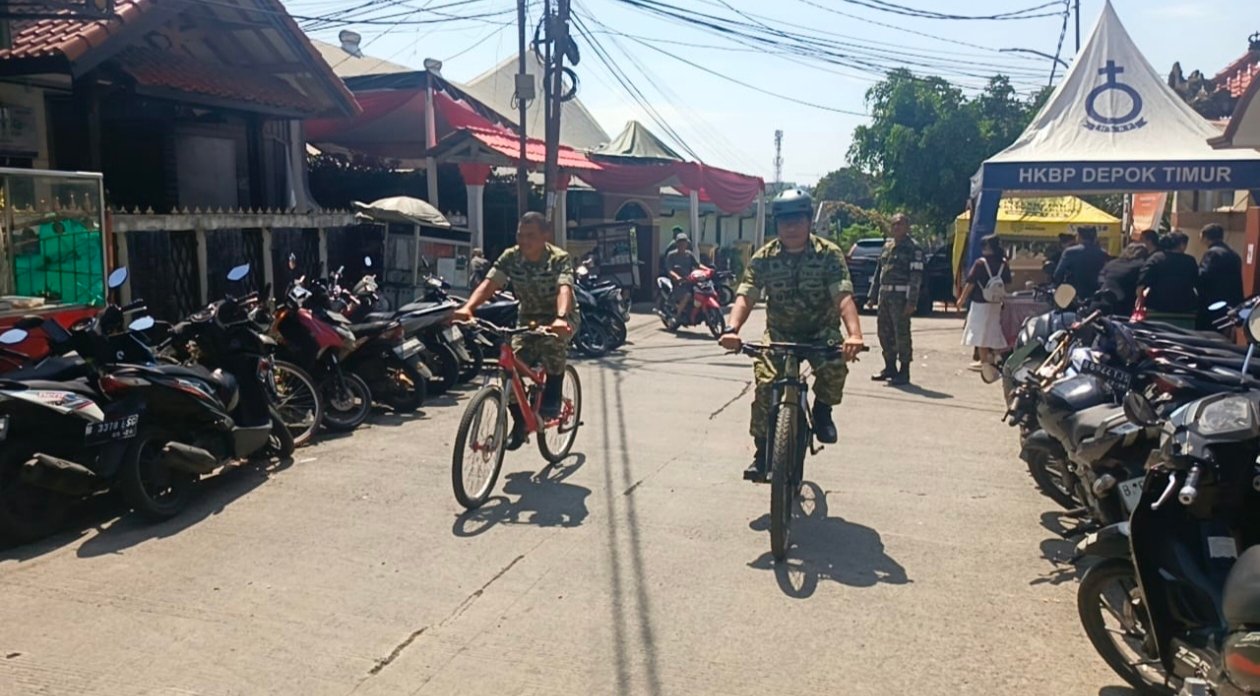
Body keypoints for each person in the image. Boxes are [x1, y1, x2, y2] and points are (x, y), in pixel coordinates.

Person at [717, 188, 865, 482]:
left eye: (798, 220)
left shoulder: (828, 254)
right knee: (765, 386)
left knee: (835, 368)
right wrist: (732, 329)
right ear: (777, 224)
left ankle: (822, 411)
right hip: (780, 334)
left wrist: (854, 335)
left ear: (809, 221)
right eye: (785, 221)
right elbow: (746, 295)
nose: (791, 227)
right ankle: (762, 452)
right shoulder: (764, 257)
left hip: (820, 332)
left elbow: (843, 296)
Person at [452, 212, 576, 442]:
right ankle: (520, 420)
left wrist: (560, 318)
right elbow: (490, 283)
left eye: (531, 235)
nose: (524, 241)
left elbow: (564, 288)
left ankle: (553, 395)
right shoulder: (511, 257)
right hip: (527, 319)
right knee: (507, 368)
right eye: (520, 235)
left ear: (545, 235)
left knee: (551, 346)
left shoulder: (558, 258)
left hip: (558, 317)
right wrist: (468, 307)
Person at [865, 212, 924, 386]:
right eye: (894, 224)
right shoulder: (887, 246)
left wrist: (911, 301)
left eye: (900, 224)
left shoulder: (913, 248)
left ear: (907, 227)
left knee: (901, 334)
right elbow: (879, 273)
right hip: (885, 296)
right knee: (884, 333)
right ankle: (889, 367)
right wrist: (872, 296)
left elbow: (916, 277)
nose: (897, 227)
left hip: (901, 298)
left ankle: (904, 371)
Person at [958, 235, 1012, 370]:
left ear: (988, 247)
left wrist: (962, 299)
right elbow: (1007, 283)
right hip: (996, 303)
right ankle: (996, 356)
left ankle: (984, 362)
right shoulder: (1003, 263)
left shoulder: (980, 263)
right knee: (993, 329)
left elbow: (970, 283)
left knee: (980, 332)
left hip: (980, 302)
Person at [1138, 230, 1199, 328]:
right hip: (1185, 309)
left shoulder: (1155, 258)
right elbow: (1197, 283)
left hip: (1157, 307)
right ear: (1181, 245)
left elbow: (1142, 284)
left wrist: (1140, 301)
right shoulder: (1190, 261)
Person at [1196, 223, 1243, 330]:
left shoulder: (1212, 253)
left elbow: (1203, 275)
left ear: (1204, 236)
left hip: (1212, 301)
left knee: (1206, 331)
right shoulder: (1234, 254)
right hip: (1231, 301)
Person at [1053, 226, 1110, 300]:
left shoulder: (1070, 252)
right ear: (1095, 238)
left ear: (1079, 237)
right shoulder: (1103, 253)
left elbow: (1058, 274)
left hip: (1074, 295)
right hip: (1096, 294)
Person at [1096, 243, 1151, 317]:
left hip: (1101, 302)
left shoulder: (1112, 263)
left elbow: (1100, 279)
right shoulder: (1141, 266)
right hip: (1123, 306)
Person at [662, 230, 705, 323]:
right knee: (688, 295)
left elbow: (697, 265)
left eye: (684, 243)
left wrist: (708, 270)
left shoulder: (689, 254)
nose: (682, 245)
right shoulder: (671, 255)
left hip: (690, 281)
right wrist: (676, 276)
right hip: (678, 283)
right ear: (677, 244)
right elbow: (669, 269)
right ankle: (677, 316)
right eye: (680, 243)